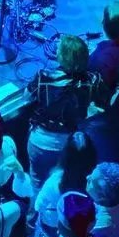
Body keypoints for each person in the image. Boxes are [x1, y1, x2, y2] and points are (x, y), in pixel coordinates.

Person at [27, 35, 100, 194]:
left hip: (40, 141)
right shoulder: (93, 80)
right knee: (62, 183)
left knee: (37, 182)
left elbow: (26, 97)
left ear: (61, 56)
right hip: (68, 145)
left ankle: (35, 215)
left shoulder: (44, 76)